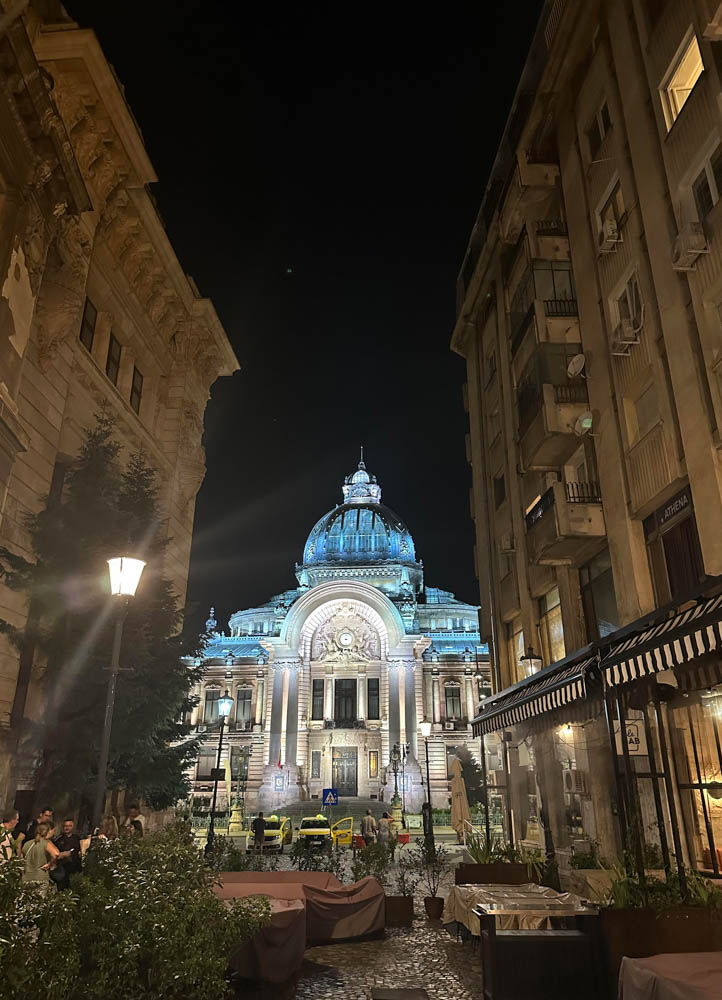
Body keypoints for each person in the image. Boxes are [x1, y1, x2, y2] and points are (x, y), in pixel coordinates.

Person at [52, 818, 82, 889]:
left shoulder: (78, 838)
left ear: (73, 827)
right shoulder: (58, 839)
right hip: (62, 868)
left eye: (69, 826)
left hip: (75, 868)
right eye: (65, 826)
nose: (67, 828)